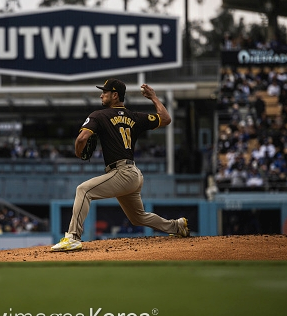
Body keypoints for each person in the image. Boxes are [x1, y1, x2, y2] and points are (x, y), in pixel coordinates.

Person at [51, 79, 189, 252]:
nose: (101, 95)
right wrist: (153, 97)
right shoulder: (135, 116)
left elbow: (81, 138)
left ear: (115, 95)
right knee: (138, 217)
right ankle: (177, 226)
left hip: (122, 173)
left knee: (83, 190)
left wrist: (79, 152)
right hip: (134, 175)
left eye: (105, 92)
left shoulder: (99, 115)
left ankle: (72, 237)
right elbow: (166, 119)